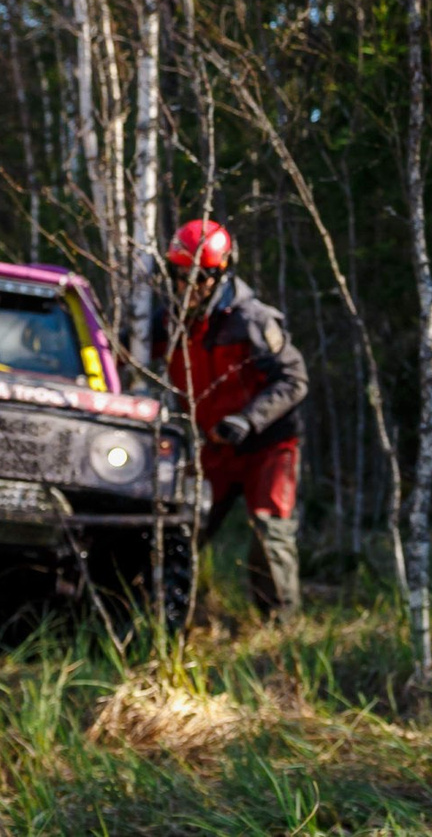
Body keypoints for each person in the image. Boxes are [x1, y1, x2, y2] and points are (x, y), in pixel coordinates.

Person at [165, 219, 308, 615]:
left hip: (267, 443)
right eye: (182, 275)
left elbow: (294, 381)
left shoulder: (253, 320)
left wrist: (247, 419)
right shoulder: (161, 321)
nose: (191, 286)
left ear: (222, 272)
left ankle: (280, 628)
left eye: (203, 277)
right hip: (213, 444)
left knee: (269, 530)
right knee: (183, 526)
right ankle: (168, 615)